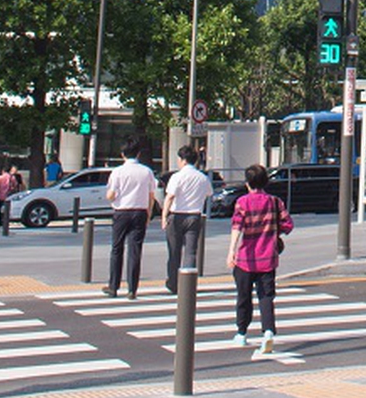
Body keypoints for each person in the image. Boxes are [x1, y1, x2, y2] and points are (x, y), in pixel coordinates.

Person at [227, 164, 292, 354]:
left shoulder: (242, 202)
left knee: (243, 296)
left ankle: (241, 333)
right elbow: (288, 224)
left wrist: (231, 251)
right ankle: (268, 332)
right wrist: (274, 232)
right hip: (268, 258)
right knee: (266, 297)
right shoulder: (275, 202)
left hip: (246, 258)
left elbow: (237, 227)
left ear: (247, 183)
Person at [102, 138, 158, 299]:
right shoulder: (147, 171)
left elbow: (111, 195)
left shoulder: (118, 172)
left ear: (122, 154)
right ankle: (132, 289)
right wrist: (148, 214)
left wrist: (111, 198)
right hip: (140, 212)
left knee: (117, 249)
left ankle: (113, 287)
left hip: (121, 212)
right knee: (135, 250)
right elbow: (151, 196)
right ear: (138, 153)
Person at [159, 144, 214, 293]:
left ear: (183, 160)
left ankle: (173, 283)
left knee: (174, 251)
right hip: (195, 216)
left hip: (176, 215)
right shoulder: (202, 178)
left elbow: (170, 197)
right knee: (191, 252)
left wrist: (164, 216)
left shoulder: (177, 177)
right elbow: (209, 193)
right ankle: (188, 284)